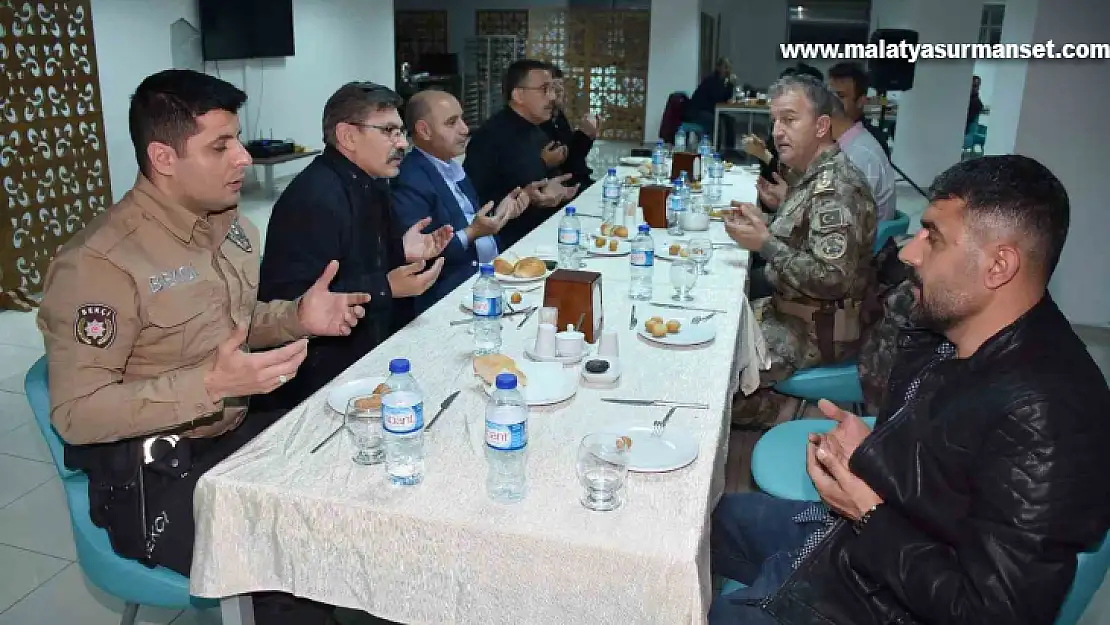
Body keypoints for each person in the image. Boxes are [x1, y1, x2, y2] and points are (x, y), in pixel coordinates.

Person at [710, 154, 1110, 625]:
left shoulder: (1047, 417)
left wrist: (865, 511)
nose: (908, 252)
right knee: (709, 521)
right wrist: (871, 455)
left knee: (727, 612)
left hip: (887, 597)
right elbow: (942, 473)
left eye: (933, 238)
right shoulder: (953, 333)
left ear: (999, 265)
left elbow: (989, 612)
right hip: (865, 543)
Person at [36, 69, 366, 624]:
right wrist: (210, 386)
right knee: (285, 555)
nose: (242, 157)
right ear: (164, 158)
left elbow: (232, 328)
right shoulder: (100, 264)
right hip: (151, 472)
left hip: (230, 435)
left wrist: (295, 319)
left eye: (237, 139)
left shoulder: (227, 226)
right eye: (221, 145)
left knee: (356, 473)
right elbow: (74, 414)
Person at [256, 82, 453, 411]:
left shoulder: (370, 182)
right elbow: (292, 303)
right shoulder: (314, 198)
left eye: (401, 131)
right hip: (319, 380)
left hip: (369, 354)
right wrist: (385, 287)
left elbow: (358, 264)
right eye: (389, 131)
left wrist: (401, 252)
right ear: (347, 136)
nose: (402, 143)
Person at [724, 74, 876, 429]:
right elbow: (806, 236)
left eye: (789, 119)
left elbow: (833, 278)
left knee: (710, 382)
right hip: (791, 310)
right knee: (715, 326)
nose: (777, 131)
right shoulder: (813, 176)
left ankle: (790, 412)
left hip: (813, 330)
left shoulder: (835, 187)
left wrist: (766, 243)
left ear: (821, 126)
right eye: (775, 120)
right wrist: (766, 220)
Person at [392, 89, 532, 313]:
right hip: (451, 294)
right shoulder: (410, 179)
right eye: (451, 123)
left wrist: (503, 214)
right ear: (424, 130)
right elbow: (422, 255)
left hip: (490, 274)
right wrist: (473, 232)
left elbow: (471, 221)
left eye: (462, 119)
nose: (465, 129)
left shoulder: (451, 166)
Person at [464, 59, 579, 248]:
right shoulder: (491, 136)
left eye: (552, 89)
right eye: (544, 89)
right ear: (518, 94)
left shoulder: (537, 129)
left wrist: (556, 189)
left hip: (542, 227)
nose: (551, 97)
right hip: (508, 240)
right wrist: (532, 196)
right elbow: (477, 199)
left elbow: (540, 177)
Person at [825, 63, 896, 221]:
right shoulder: (842, 141)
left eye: (840, 97)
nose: (831, 103)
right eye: (829, 95)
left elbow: (847, 219)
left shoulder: (861, 154)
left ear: (861, 101)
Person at [541, 64, 600, 191]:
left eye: (560, 86)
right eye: (553, 87)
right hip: (561, 186)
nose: (559, 92)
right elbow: (565, 161)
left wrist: (588, 136)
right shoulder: (540, 119)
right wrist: (582, 135)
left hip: (577, 180)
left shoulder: (559, 116)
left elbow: (574, 156)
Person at [685, 57, 735, 143]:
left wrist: (730, 85)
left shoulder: (724, 82)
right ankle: (714, 148)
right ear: (718, 68)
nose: (727, 70)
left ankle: (730, 150)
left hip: (711, 110)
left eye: (729, 67)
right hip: (698, 111)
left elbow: (726, 98)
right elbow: (716, 98)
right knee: (715, 121)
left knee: (730, 120)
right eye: (725, 67)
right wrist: (726, 86)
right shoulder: (711, 80)